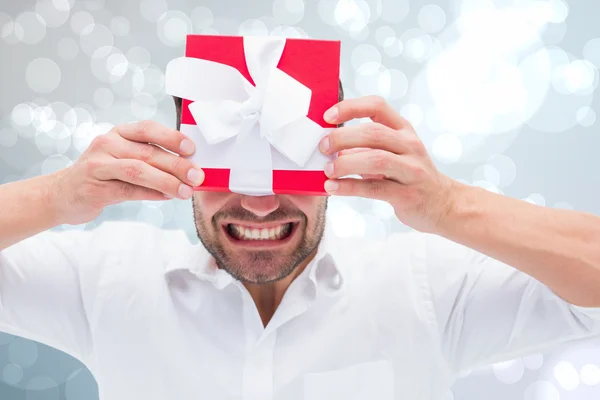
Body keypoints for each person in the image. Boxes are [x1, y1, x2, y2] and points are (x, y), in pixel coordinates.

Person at [1, 92, 599, 400]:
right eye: (230, 171)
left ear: (336, 164)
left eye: (294, 169)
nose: (261, 205)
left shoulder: (424, 286)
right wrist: (56, 195)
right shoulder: (111, 278)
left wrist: (448, 206)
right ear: (182, 162)